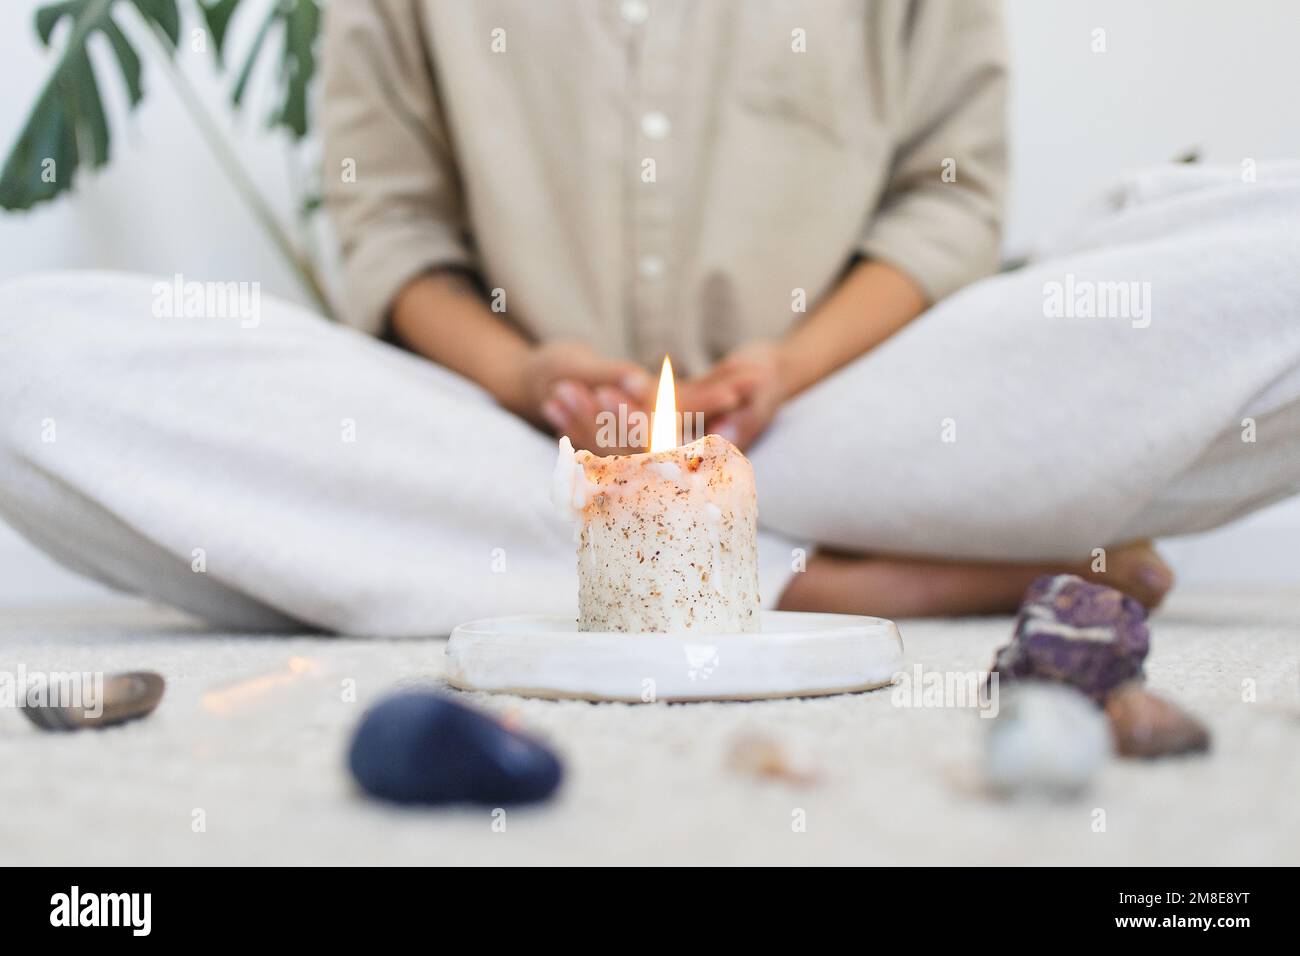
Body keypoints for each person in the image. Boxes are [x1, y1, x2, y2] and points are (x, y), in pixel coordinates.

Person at [1, 1, 1298, 636]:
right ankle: (825, 585)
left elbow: (945, 205)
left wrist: (791, 363)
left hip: (844, 422)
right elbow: (390, 235)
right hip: (523, 450)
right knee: (26, 360)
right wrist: (526, 375)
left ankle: (749, 558)